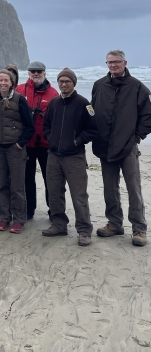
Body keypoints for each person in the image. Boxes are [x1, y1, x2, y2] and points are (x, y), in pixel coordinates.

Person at [92, 50, 151, 247]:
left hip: (128, 146)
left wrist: (136, 137)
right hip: (105, 146)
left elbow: (147, 116)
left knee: (133, 189)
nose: (113, 65)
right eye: (109, 62)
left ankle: (139, 229)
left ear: (125, 62)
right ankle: (115, 223)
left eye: (117, 62)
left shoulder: (137, 87)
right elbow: (92, 111)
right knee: (110, 188)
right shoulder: (99, 85)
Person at [42, 68, 96, 246]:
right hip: (54, 155)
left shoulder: (84, 103)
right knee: (55, 192)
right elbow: (46, 124)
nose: (64, 84)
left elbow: (92, 129)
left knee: (79, 195)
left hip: (74, 157)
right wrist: (50, 138)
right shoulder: (54, 103)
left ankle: (84, 230)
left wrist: (77, 141)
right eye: (61, 81)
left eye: (67, 81)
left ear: (74, 83)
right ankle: (59, 224)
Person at [0, 69, 34, 233]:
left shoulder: (19, 99)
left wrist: (20, 144)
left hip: (15, 149)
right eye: (0, 80)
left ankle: (19, 219)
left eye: (5, 80)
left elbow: (30, 126)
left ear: (11, 83)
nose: (2, 83)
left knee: (17, 186)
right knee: (1, 185)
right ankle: (5, 218)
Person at [16, 61, 58, 220]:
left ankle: (53, 210)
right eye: (33, 71)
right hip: (26, 143)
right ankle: (29, 209)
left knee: (51, 179)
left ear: (44, 73)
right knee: (27, 178)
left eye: (39, 71)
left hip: (47, 145)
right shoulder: (20, 90)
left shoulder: (53, 93)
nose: (36, 74)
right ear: (28, 73)